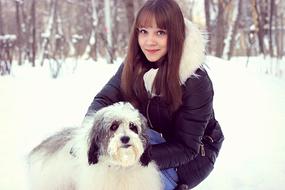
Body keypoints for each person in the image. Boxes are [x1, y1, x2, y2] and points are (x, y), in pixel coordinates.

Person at [85, 0, 224, 189]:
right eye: (144, 31)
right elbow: (104, 100)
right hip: (148, 138)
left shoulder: (195, 80)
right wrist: (89, 135)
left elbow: (186, 147)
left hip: (193, 154)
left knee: (131, 179)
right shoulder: (133, 66)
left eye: (160, 32)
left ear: (175, 35)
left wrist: (137, 154)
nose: (149, 41)